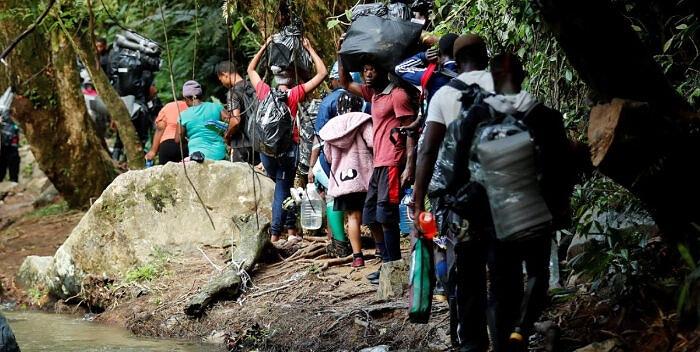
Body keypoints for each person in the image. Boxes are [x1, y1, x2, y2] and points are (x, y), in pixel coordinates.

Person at [481, 53, 574, 352]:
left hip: (497, 213)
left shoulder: (478, 117)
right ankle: (521, 329)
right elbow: (562, 167)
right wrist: (560, 206)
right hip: (536, 208)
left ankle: (503, 345)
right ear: (522, 76)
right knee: (537, 273)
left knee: (500, 285)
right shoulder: (546, 116)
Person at [414, 33, 494, 351]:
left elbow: (428, 150)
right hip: (507, 194)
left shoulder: (444, 95)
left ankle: (472, 342)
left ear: (456, 63)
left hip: (464, 201)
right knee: (504, 269)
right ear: (486, 57)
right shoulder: (507, 85)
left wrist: (418, 203)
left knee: (468, 271)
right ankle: (510, 334)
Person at [338, 42, 417, 284]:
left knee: (387, 216)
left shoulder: (398, 95)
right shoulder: (374, 95)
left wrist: (410, 166)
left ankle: (394, 266)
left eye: (372, 69)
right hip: (378, 164)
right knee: (371, 216)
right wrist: (342, 52)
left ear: (383, 70)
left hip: (393, 162)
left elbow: (411, 131)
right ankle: (386, 265)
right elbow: (344, 83)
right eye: (365, 70)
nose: (368, 74)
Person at [247, 36, 327, 243]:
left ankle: (290, 229)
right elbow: (322, 73)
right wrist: (309, 48)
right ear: (290, 78)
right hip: (287, 151)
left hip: (267, 152)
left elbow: (251, 70)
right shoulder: (293, 95)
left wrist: (264, 45)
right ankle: (276, 234)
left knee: (282, 187)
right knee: (283, 189)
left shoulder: (265, 93)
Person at [319, 92, 374, 268]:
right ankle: (381, 250)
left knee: (352, 217)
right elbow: (373, 142)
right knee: (371, 215)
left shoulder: (330, 129)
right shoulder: (363, 122)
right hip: (365, 177)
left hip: (343, 181)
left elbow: (327, 156)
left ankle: (357, 257)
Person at [308, 61, 347, 183]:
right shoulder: (364, 99)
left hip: (333, 162)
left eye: (332, 80)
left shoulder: (327, 102)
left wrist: (311, 167)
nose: (331, 83)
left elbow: (319, 138)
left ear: (337, 79)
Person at [395, 33, 459, 107]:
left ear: (440, 51)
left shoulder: (433, 75)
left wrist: (423, 56)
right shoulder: (471, 72)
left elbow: (399, 69)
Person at [216, 60, 259, 164]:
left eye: (221, 80)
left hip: (241, 145)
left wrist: (227, 135)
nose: (222, 83)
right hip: (258, 143)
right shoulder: (254, 86)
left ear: (225, 75)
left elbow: (235, 121)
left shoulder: (233, 92)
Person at [178, 80, 230, 161]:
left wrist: (188, 139)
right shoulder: (216, 107)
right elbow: (231, 122)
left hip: (197, 156)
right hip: (219, 154)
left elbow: (178, 139)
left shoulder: (183, 115)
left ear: (187, 98)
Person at [146, 99, 189, 165]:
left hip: (167, 145)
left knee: (166, 174)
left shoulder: (168, 106)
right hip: (185, 144)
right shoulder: (192, 107)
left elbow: (161, 127)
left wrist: (153, 151)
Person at [0, 110, 20, 182]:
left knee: (13, 163)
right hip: (3, 146)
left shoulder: (12, 120)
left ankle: (13, 182)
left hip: (12, 145)